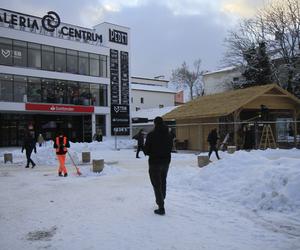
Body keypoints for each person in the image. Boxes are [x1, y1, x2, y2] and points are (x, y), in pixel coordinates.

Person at [144, 117, 173, 215]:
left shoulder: (151, 135)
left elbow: (146, 150)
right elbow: (170, 148)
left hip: (154, 162)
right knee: (163, 180)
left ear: (155, 124)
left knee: (156, 184)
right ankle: (162, 197)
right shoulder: (169, 135)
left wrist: (148, 151)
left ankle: (161, 207)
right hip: (166, 162)